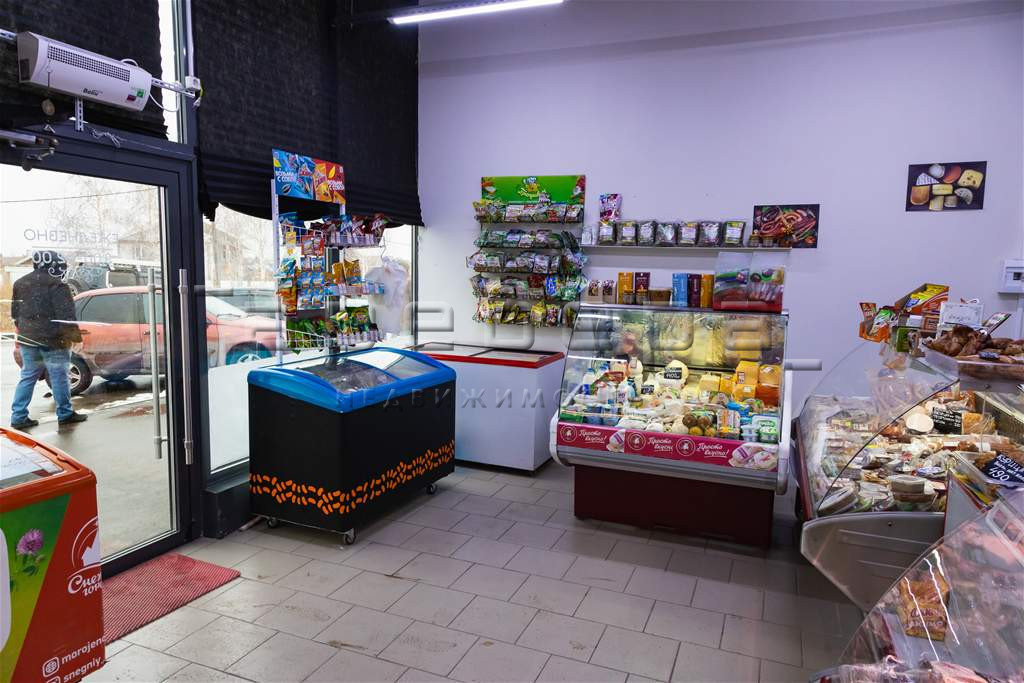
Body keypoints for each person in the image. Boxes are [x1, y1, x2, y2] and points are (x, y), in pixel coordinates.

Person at [10, 250, 88, 428]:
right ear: (54, 265)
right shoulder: (58, 285)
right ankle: (65, 413)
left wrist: (25, 332)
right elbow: (66, 316)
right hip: (53, 341)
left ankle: (18, 417)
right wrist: (75, 339)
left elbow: (15, 314)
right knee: (59, 377)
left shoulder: (20, 283)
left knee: (28, 376)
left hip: (28, 339)